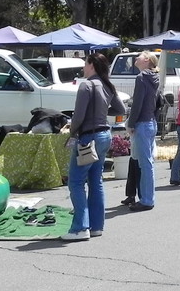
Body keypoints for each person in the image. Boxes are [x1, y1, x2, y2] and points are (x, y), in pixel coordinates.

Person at [63, 53, 125, 241]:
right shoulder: (107, 84)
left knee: (75, 182)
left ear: (91, 65)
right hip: (104, 134)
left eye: (85, 64)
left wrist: (70, 131)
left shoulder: (86, 85)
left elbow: (79, 117)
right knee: (96, 181)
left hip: (88, 137)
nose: (83, 67)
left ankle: (80, 228)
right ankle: (96, 225)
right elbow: (121, 110)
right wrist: (103, 111)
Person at [123, 51, 160, 212]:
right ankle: (145, 196)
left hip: (143, 123)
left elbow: (137, 103)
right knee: (145, 162)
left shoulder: (141, 78)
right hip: (151, 122)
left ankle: (147, 200)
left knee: (145, 164)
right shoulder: (154, 77)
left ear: (146, 60)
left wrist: (131, 123)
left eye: (139, 56)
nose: (136, 58)